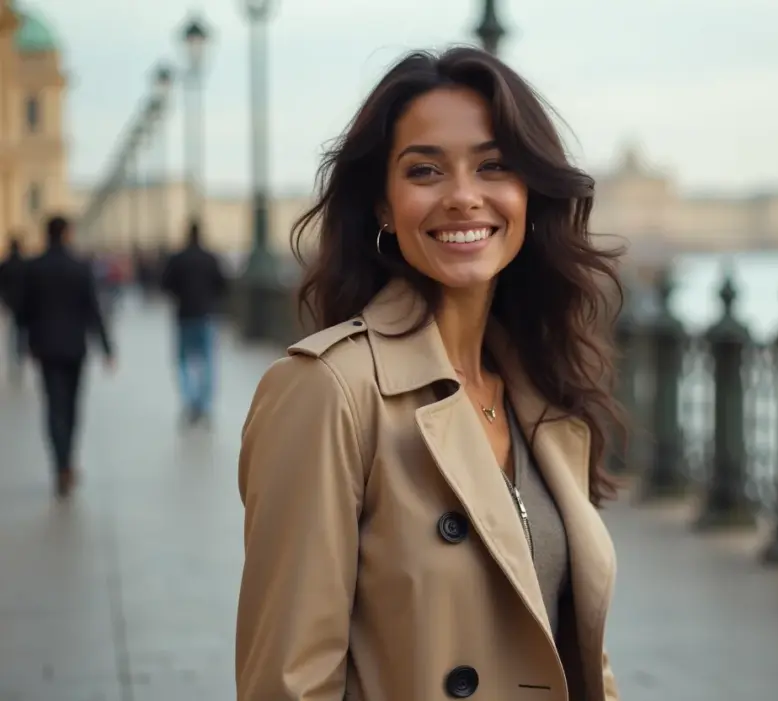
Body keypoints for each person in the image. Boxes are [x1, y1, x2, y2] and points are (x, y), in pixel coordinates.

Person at [235, 47, 624, 700]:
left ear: (529, 191)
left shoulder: (543, 388)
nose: (465, 197)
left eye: (494, 166)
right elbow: (286, 682)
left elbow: (576, 652)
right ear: (383, 206)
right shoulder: (330, 389)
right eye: (425, 171)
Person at [17, 216, 114, 497]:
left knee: (52, 406)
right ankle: (69, 461)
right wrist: (107, 348)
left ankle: (59, 464)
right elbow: (93, 309)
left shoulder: (34, 268)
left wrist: (23, 346)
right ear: (68, 234)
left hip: (45, 348)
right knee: (71, 407)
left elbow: (23, 312)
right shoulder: (80, 267)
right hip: (74, 347)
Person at [160, 219, 227, 426]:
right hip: (206, 315)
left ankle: (190, 402)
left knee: (183, 361)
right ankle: (204, 405)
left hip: (184, 315)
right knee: (207, 361)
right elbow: (223, 285)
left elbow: (165, 284)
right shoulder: (210, 258)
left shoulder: (177, 258)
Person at [0, 236, 27, 383]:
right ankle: (20, 357)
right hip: (22, 305)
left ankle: (14, 360)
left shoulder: (5, 264)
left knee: (11, 334)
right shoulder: (25, 264)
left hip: (9, 304)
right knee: (21, 334)